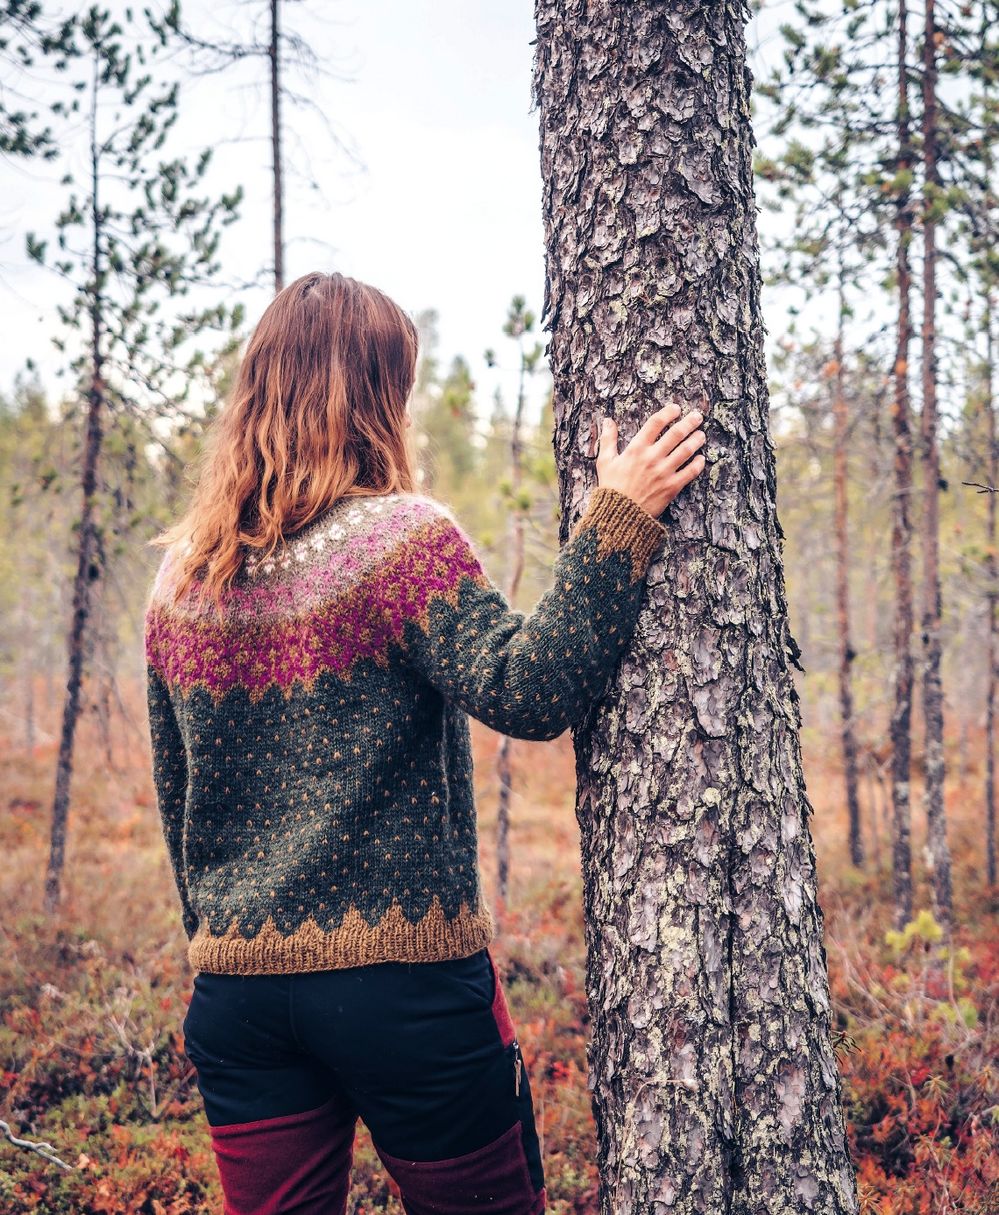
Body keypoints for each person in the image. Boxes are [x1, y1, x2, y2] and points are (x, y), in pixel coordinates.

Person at [143, 270, 706, 1215]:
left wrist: (225, 940)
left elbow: (175, 796)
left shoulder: (182, 580)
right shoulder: (399, 538)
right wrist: (620, 518)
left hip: (237, 996)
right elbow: (528, 690)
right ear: (375, 396)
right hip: (402, 988)